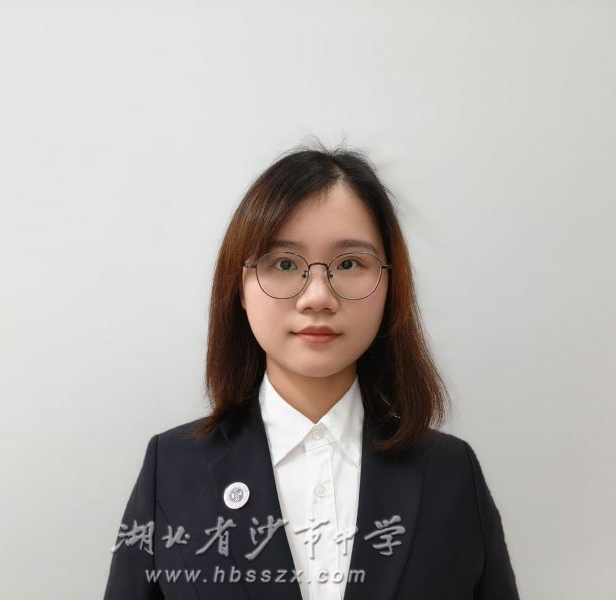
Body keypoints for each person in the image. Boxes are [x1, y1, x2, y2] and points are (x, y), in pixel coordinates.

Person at [103, 144, 520, 599]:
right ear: (239, 287)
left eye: (349, 264)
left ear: (390, 284)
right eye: (284, 264)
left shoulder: (450, 472)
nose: (318, 296)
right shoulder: (172, 469)